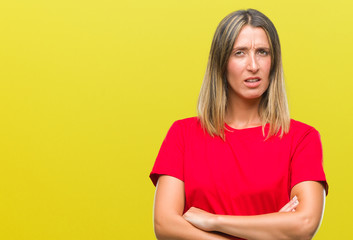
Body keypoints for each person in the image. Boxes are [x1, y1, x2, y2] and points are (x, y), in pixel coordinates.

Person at [149, 8, 328, 240]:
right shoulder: (182, 135)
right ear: (221, 62)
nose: (253, 65)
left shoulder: (302, 138)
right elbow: (165, 225)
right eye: (240, 53)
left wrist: (213, 221)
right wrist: (272, 227)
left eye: (262, 52)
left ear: (273, 62)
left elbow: (304, 223)